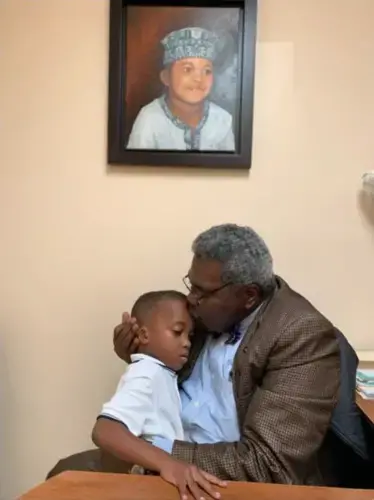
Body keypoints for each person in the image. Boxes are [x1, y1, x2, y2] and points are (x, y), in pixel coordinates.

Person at [46, 223, 341, 485]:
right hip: (165, 449)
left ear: (248, 295)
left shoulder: (301, 335)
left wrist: (159, 451)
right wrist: (137, 354)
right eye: (191, 285)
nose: (190, 300)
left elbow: (267, 464)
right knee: (63, 475)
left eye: (203, 292)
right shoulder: (207, 312)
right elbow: (166, 368)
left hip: (220, 473)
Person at [92, 290, 225, 500]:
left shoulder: (162, 372)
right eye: (177, 332)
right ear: (144, 335)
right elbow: (105, 430)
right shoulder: (146, 374)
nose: (187, 343)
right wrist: (169, 464)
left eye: (189, 336)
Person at [127, 27, 235, 151]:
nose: (198, 78)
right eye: (187, 69)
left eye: (207, 71)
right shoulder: (149, 118)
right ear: (166, 77)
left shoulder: (222, 119)